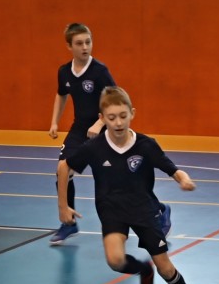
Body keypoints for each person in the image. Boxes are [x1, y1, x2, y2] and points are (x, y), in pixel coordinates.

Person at [57, 86, 211, 284]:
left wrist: (183, 179)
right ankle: (143, 270)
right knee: (115, 260)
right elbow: (64, 168)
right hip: (111, 210)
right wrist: (63, 206)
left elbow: (173, 169)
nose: (118, 122)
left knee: (166, 269)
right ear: (102, 118)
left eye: (122, 116)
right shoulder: (94, 147)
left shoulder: (145, 145)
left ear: (132, 114)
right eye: (111, 117)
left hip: (143, 210)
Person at [47, 23, 170, 245]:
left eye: (88, 42)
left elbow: (117, 100)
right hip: (79, 129)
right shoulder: (64, 71)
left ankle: (159, 210)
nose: (85, 47)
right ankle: (68, 222)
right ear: (69, 46)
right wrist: (55, 121)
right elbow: (61, 94)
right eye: (79, 43)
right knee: (62, 171)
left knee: (123, 178)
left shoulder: (99, 71)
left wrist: (100, 122)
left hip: (105, 128)